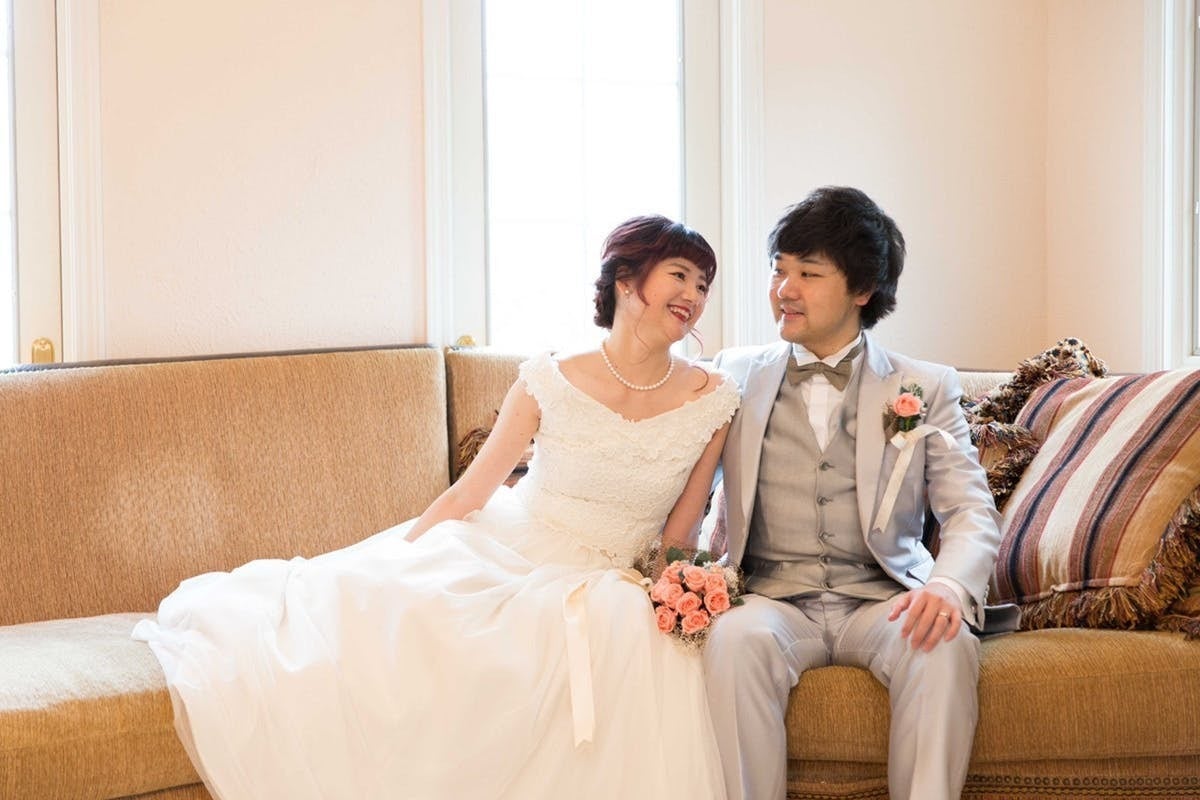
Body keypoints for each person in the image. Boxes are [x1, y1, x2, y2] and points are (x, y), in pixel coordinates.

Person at [133, 215, 740, 800]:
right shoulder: (549, 379)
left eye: (703, 285)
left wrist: (678, 594)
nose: (693, 295)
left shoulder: (712, 398)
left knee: (636, 653)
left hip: (615, 583)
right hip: (515, 553)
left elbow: (680, 531)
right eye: (679, 275)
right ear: (627, 281)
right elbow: (470, 493)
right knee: (408, 632)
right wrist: (394, 566)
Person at [703, 186, 1014, 800]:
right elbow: (681, 485)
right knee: (733, 641)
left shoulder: (924, 386)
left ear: (863, 289)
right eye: (778, 270)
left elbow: (969, 508)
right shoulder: (731, 375)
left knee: (944, 643)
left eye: (808, 273)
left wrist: (949, 587)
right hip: (771, 598)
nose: (784, 289)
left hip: (883, 600)